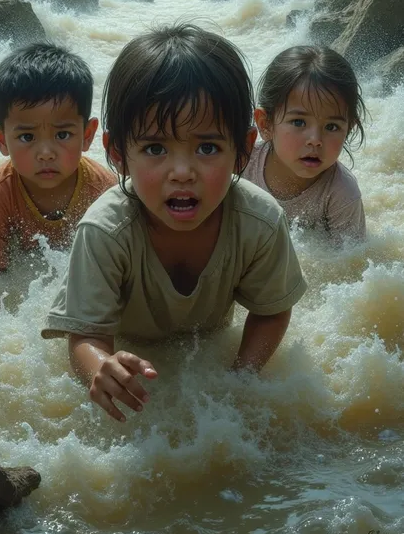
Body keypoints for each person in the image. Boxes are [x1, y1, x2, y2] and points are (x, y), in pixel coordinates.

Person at [42, 24, 307, 423]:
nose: (182, 172)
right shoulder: (105, 232)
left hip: (208, 343)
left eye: (207, 147)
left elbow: (271, 311)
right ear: (117, 154)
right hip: (134, 348)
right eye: (154, 148)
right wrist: (100, 367)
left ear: (243, 149)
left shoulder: (260, 223)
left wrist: (241, 378)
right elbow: (85, 335)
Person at [0, 43, 116, 271]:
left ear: (87, 135)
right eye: (27, 136)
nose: (46, 154)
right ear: (1, 140)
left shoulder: (104, 192)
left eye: (62, 134)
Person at [243, 46, 367, 244]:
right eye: (299, 122)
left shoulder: (341, 193)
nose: (315, 139)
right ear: (265, 124)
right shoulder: (243, 164)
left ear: (348, 130)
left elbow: (351, 263)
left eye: (332, 126)